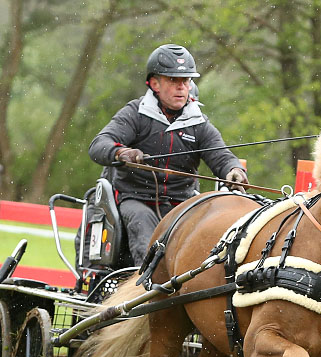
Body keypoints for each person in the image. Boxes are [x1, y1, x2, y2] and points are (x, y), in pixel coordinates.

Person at [88, 44, 248, 268]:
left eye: (186, 81)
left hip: (182, 204)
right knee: (143, 226)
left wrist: (234, 171)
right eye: (174, 80)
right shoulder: (135, 114)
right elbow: (99, 145)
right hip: (136, 199)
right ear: (155, 84)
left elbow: (221, 156)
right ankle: (145, 288)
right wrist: (122, 152)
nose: (181, 87)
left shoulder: (199, 124)